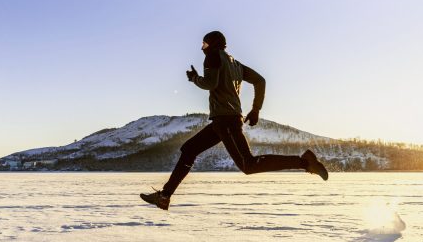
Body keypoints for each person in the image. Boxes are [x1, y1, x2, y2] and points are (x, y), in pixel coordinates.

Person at [140, 31, 328, 210]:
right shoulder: (235, 64)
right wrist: (255, 110)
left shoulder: (212, 56)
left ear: (212, 44)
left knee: (248, 165)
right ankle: (164, 196)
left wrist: (195, 78)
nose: (202, 48)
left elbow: (210, 83)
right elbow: (260, 81)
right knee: (189, 150)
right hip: (223, 121)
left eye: (204, 43)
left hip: (226, 121)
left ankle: (304, 162)